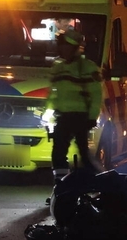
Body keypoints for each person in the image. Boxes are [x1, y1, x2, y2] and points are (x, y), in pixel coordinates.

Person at [43, 28, 102, 185]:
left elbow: (96, 95)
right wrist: (46, 113)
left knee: (84, 154)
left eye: (67, 46)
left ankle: (99, 183)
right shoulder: (58, 66)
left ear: (75, 48)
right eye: (62, 46)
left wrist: (92, 117)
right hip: (62, 116)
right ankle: (61, 187)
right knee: (58, 153)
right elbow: (53, 94)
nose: (63, 49)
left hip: (80, 117)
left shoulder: (88, 67)